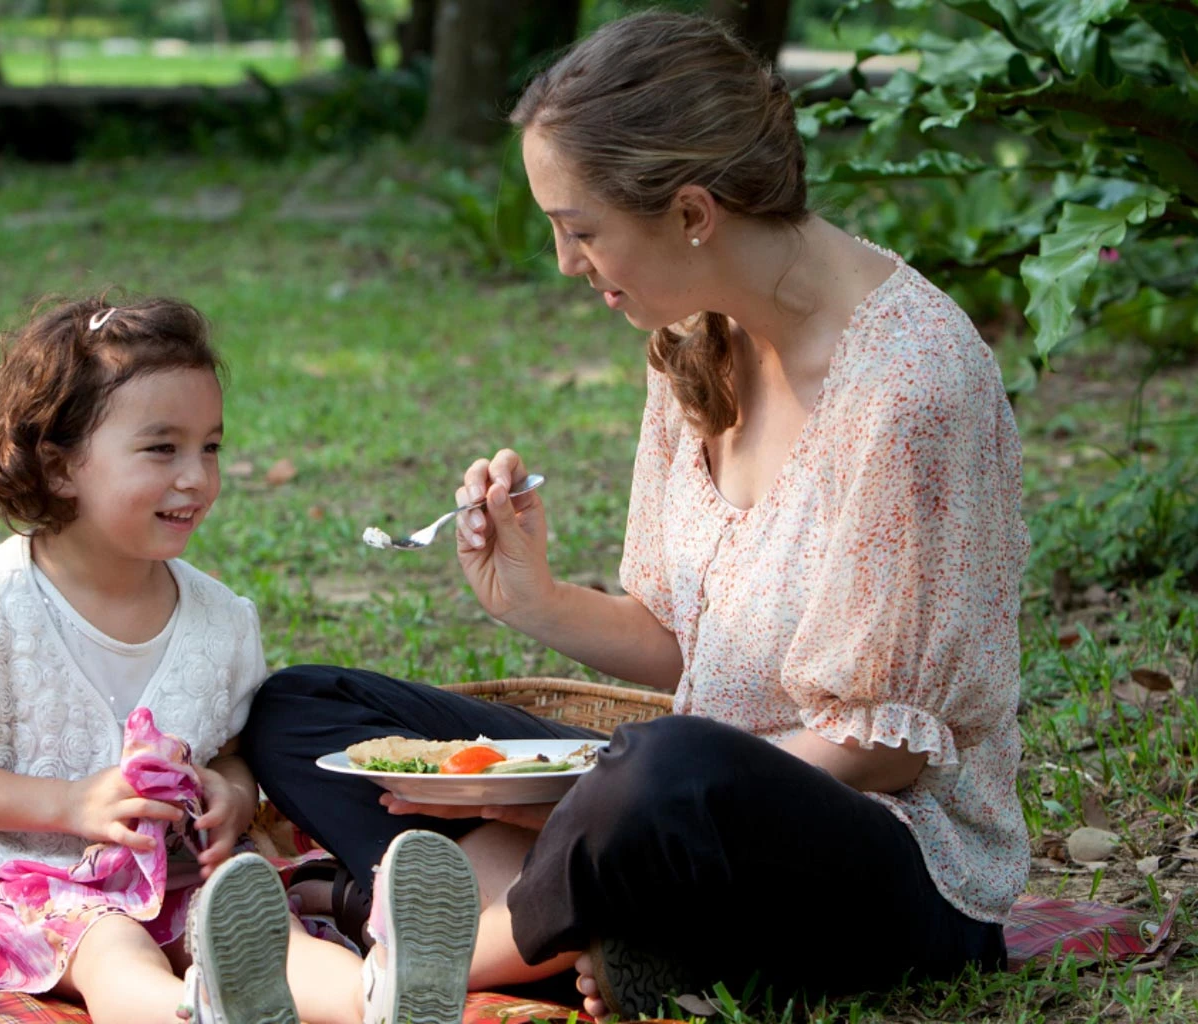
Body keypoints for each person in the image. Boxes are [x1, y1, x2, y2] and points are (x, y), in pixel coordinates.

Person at [241, 11, 1029, 1019]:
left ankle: (442, 956)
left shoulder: (910, 388)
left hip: (888, 868)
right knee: (300, 707)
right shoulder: (695, 333)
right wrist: (534, 597)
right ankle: (593, 916)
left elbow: (882, 748)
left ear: (692, 212)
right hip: (676, 813)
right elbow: (687, 648)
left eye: (579, 229)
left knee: (659, 765)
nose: (567, 262)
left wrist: (594, 803)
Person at [0, 295, 477, 1024]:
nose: (196, 476)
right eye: (162, 448)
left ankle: (382, 998)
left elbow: (230, 752)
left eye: (211, 447)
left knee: (262, 928)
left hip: (178, 871)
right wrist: (68, 804)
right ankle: (188, 1012)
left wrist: (231, 793)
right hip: (19, 871)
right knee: (107, 945)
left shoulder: (221, 621)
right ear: (61, 466)